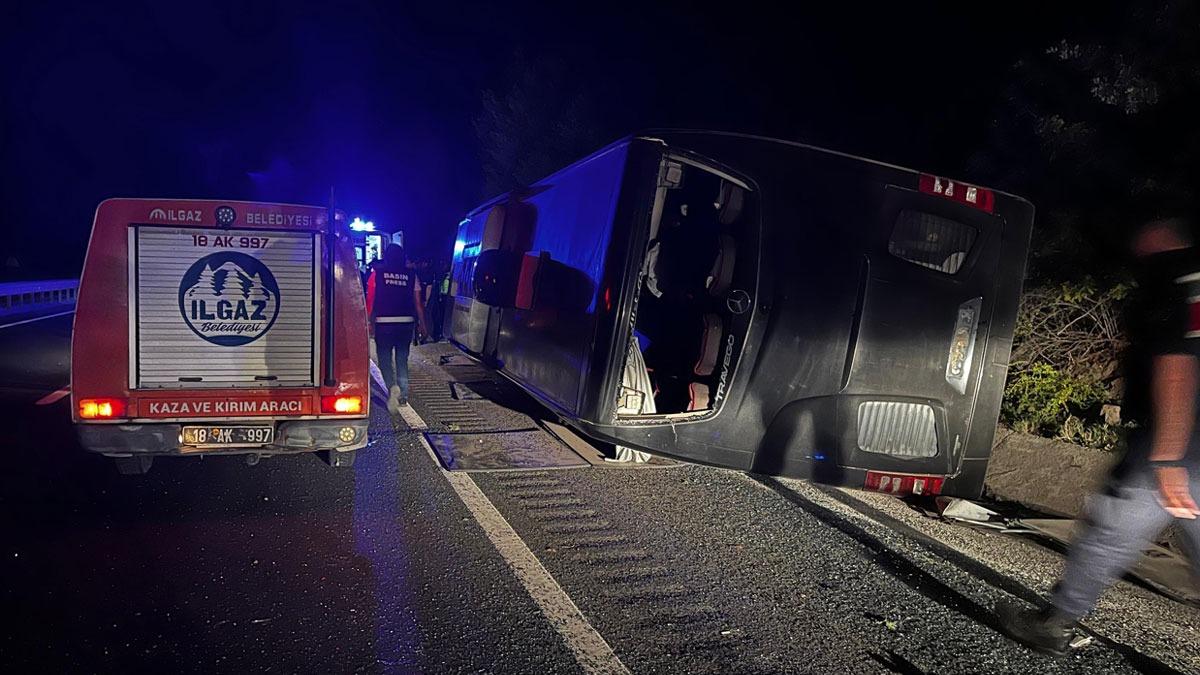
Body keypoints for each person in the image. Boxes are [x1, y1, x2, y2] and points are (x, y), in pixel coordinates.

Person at [999, 217, 1200, 655]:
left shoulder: (1173, 281)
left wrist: (1167, 457)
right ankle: (1056, 619)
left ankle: (1055, 623)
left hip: (1176, 449)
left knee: (1111, 528)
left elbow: (1176, 364)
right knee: (1118, 530)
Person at [366, 244, 428, 415]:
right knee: (402, 359)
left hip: (384, 323)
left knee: (385, 360)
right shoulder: (411, 275)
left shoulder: (376, 274)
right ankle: (403, 393)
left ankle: (391, 386)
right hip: (405, 324)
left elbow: (371, 300)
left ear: (386, 256)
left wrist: (369, 322)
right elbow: (418, 303)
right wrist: (423, 324)